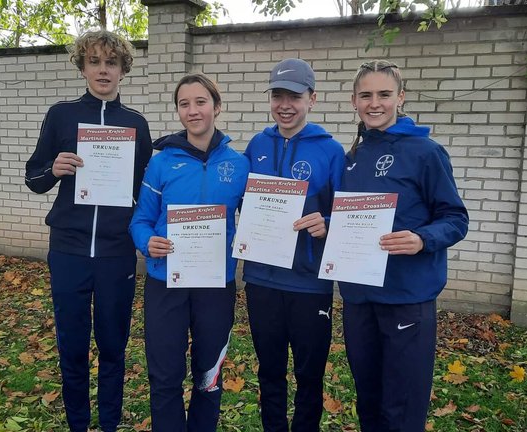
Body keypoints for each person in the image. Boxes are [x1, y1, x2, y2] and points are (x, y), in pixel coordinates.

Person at [24, 30, 153, 432]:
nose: (102, 69)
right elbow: (34, 177)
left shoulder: (135, 123)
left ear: (122, 70)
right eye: (94, 61)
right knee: (73, 347)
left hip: (116, 253)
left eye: (111, 62)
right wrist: (54, 169)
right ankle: (79, 424)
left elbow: (144, 189)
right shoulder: (60, 114)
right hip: (68, 250)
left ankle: (110, 424)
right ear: (82, 66)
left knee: (114, 347)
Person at [339, 60, 469, 432]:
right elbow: (353, 221)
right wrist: (326, 225)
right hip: (359, 298)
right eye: (366, 95)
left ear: (401, 97)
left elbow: (455, 219)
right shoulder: (353, 158)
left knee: (403, 406)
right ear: (354, 101)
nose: (374, 103)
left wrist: (421, 239)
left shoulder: (426, 152)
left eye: (384, 94)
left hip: (407, 297)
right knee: (369, 400)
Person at [129, 73, 249, 432]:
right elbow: (141, 220)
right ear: (178, 111)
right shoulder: (162, 162)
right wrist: (146, 242)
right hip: (166, 281)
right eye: (184, 104)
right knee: (165, 373)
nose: (193, 110)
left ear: (217, 107)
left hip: (216, 284)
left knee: (208, 373)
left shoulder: (239, 165)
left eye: (200, 102)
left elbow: (256, 221)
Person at [242, 58, 345, 432]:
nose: (285, 104)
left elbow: (346, 216)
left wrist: (328, 224)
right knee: (269, 372)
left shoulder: (330, 151)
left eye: (294, 96)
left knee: (309, 376)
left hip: (309, 284)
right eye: (278, 95)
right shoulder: (257, 144)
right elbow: (239, 198)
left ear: (312, 99)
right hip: (261, 281)